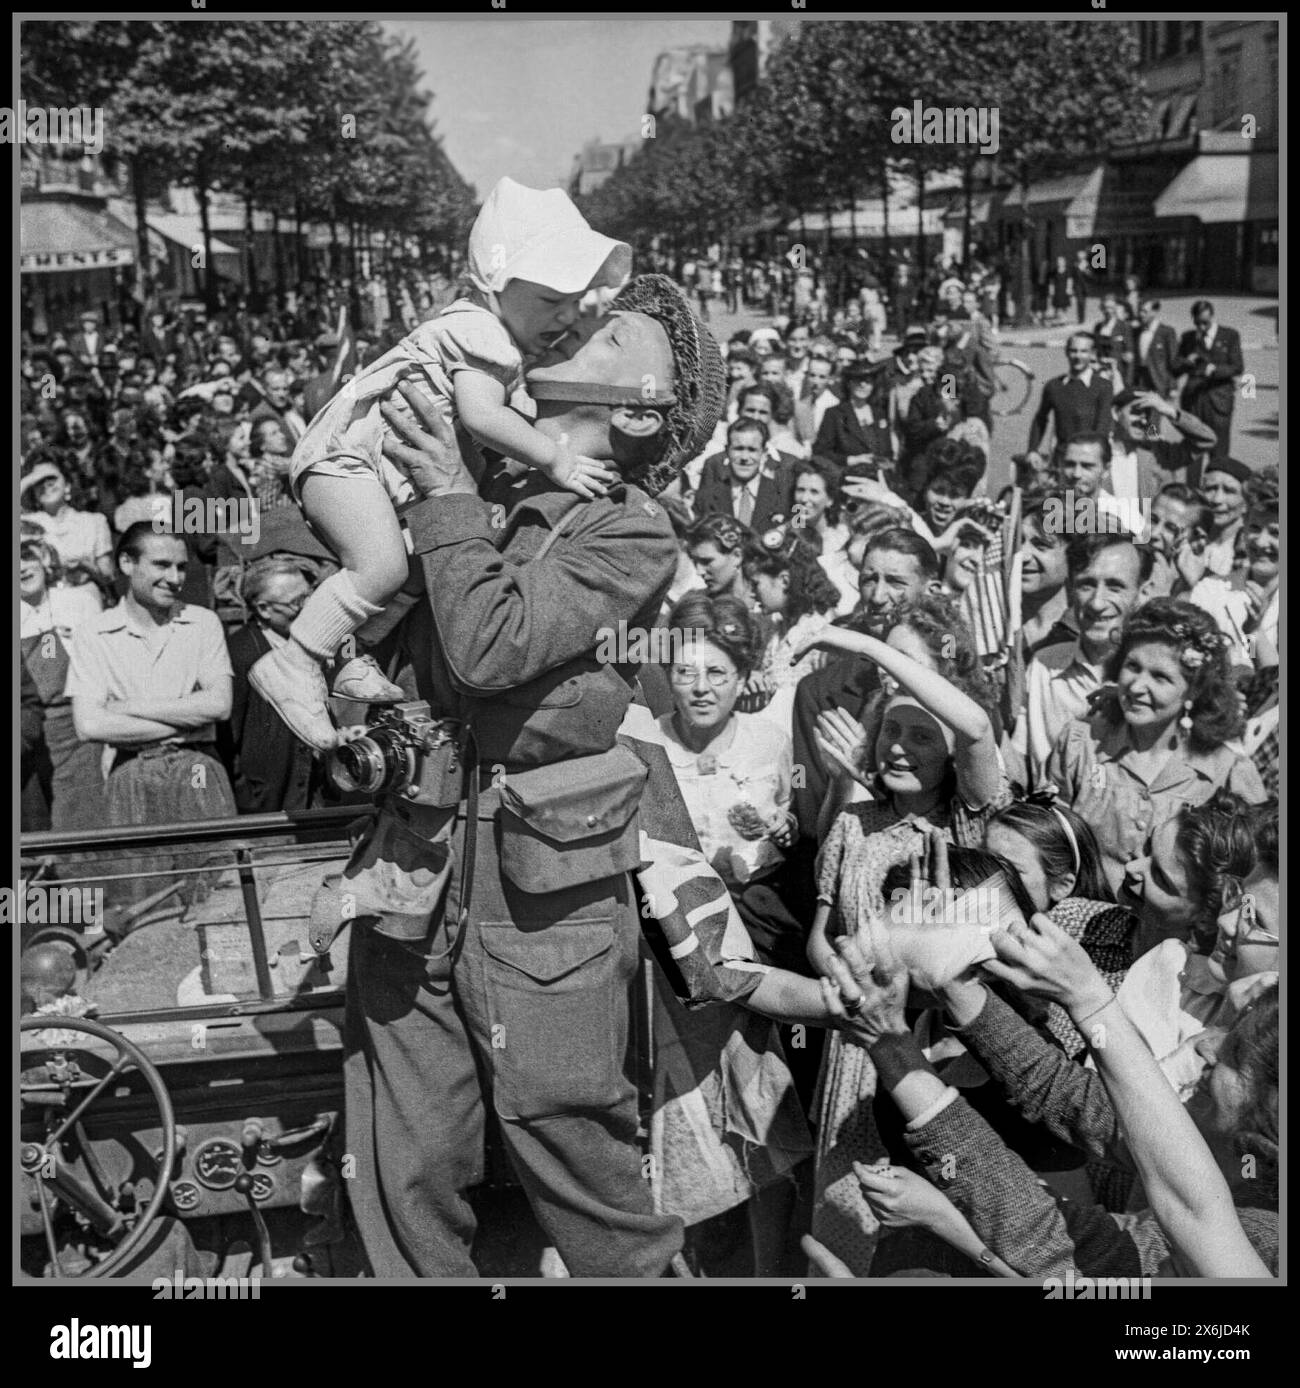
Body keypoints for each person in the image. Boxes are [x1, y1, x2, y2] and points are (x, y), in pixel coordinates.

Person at [328, 273, 728, 1279]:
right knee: (402, 1163)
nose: (575, 327)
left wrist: (444, 499)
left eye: (604, 335)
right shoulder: (481, 459)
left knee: (578, 1155)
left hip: (538, 894)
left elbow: (492, 646)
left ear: (639, 406)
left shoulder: (631, 525)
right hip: (412, 859)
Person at [253, 178, 630, 750]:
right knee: (379, 567)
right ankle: (296, 659)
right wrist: (554, 456)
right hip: (346, 462)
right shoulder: (485, 335)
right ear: (498, 284)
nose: (565, 315)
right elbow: (482, 417)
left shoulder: (484, 330)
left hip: (367, 470)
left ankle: (346, 660)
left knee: (406, 564)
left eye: (573, 301)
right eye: (551, 302)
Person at [794, 604, 1007, 1273]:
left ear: (948, 759)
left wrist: (857, 643)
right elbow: (819, 938)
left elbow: (974, 726)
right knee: (846, 1216)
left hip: (933, 1050)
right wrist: (851, 980)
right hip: (855, 1043)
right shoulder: (854, 822)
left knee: (930, 1223)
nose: (897, 747)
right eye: (891, 730)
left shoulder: (968, 828)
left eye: (920, 736)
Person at [1044, 598, 1267, 895]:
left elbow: (1255, 876)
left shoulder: (1227, 772)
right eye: (1132, 667)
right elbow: (1050, 846)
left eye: (1160, 677)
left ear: (1195, 690)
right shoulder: (1080, 742)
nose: (1137, 687)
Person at [66, 525, 238, 904]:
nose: (175, 578)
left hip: (197, 769)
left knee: (217, 895)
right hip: (130, 776)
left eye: (181, 567)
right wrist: (188, 716)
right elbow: (89, 724)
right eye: (161, 565)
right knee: (142, 899)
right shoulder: (93, 634)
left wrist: (125, 709)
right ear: (127, 563)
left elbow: (219, 706)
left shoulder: (202, 622)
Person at [788, 529, 941, 842]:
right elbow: (809, 815)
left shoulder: (954, 679)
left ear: (931, 590)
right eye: (870, 579)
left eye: (896, 582)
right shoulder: (819, 692)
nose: (878, 595)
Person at [1013, 533, 1152, 792]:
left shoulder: (1157, 679)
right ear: (1070, 590)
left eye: (1115, 586)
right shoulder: (1045, 664)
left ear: (1142, 593)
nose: (1097, 603)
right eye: (1086, 585)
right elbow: (1020, 766)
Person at [223, 558, 333, 813]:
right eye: (297, 602)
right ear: (263, 609)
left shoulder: (312, 644)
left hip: (312, 796)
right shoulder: (242, 655)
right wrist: (249, 797)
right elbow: (228, 740)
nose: (308, 608)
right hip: (267, 805)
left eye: (309, 597)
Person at [20, 535, 107, 832]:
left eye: (27, 555)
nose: (21, 567)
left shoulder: (78, 601)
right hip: (31, 737)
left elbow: (103, 668)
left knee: (84, 820)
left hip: (77, 731)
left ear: (45, 558)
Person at [743, 532, 841, 734]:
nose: (752, 593)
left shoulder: (819, 632)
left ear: (784, 581)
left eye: (756, 584)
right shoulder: (776, 628)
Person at [1024, 334, 1113, 472]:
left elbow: (1102, 426)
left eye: (1083, 351)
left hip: (1089, 462)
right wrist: (1032, 449)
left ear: (1092, 354)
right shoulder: (1054, 386)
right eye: (1073, 351)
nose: (1078, 356)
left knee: (1086, 493)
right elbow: (1040, 419)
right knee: (1068, 494)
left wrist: (1094, 459)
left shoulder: (1102, 386)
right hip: (1063, 462)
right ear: (1066, 352)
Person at [20, 462, 114, 588]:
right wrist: (27, 481)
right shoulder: (29, 525)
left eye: (51, 478)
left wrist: (84, 566)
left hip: (86, 595)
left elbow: (108, 576)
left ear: (67, 485)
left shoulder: (94, 521)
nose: (46, 484)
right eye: (39, 481)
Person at [692, 419, 794, 533]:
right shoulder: (706, 498)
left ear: (764, 453)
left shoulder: (784, 496)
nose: (744, 457)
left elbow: (800, 532)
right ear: (727, 451)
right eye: (738, 449)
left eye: (752, 450)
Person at [1173, 300, 1243, 461]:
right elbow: (1175, 369)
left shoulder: (1230, 335)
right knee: (1193, 447)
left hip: (1219, 400)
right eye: (1197, 323)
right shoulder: (1188, 337)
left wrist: (1215, 370)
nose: (1202, 327)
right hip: (1193, 401)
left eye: (1205, 323)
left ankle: (1215, 482)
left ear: (1212, 316)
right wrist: (1187, 361)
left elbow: (1237, 366)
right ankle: (1193, 484)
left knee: (1219, 448)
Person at [812, 361, 892, 472]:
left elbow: (887, 451)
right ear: (849, 383)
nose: (863, 385)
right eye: (858, 380)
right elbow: (820, 452)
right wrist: (851, 460)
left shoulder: (879, 414)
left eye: (868, 381)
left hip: (878, 478)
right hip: (847, 475)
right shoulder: (835, 414)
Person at [1134, 297, 1179, 397]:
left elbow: (1173, 361)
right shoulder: (1137, 332)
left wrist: (1173, 386)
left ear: (1154, 312)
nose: (1141, 314)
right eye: (1139, 311)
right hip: (1141, 382)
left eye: (1144, 311)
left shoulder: (1166, 332)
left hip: (1159, 382)